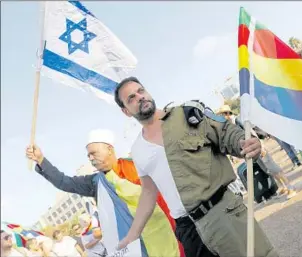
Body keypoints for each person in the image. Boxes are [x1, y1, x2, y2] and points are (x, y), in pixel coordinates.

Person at [114, 77, 278, 257]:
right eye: (131, 98)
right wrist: (133, 234)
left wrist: (244, 143)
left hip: (222, 214)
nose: (140, 97)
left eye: (141, 91)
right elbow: (148, 192)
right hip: (188, 231)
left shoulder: (186, 114)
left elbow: (225, 133)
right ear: (125, 111)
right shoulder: (137, 150)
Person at [25, 130, 183, 257]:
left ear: (110, 149)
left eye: (94, 153)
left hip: (165, 236)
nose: (91, 158)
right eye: (88, 156)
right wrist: (40, 160)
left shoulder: (137, 166)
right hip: (129, 248)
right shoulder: (95, 183)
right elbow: (64, 182)